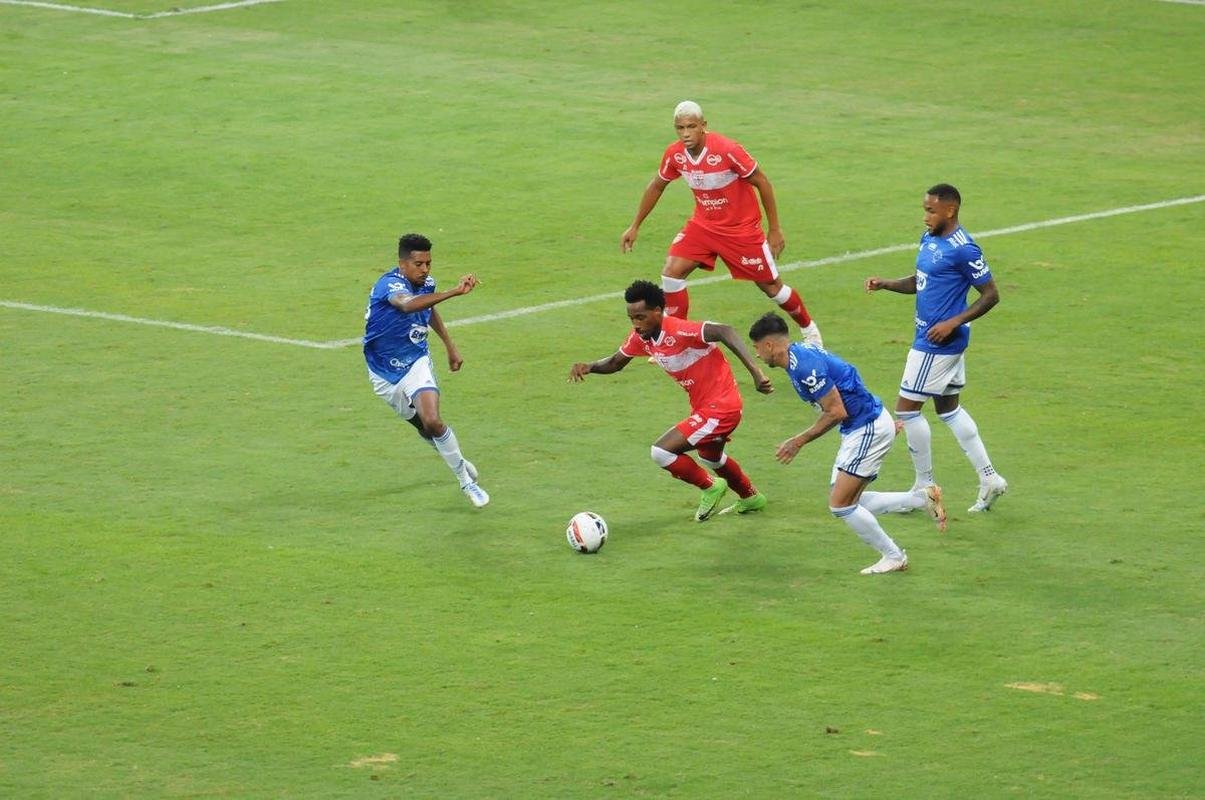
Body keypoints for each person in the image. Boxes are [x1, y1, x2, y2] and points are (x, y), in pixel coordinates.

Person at [748, 312, 946, 575]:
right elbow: (847, 375)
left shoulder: (804, 366)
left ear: (770, 345)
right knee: (848, 497)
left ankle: (894, 556)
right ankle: (921, 499)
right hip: (866, 424)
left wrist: (798, 441)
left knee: (841, 505)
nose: (758, 355)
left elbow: (836, 411)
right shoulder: (801, 356)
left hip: (865, 428)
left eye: (757, 348)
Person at [620, 100, 822, 345]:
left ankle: (809, 329)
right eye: (680, 128)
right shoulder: (675, 154)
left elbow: (762, 182)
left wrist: (775, 229)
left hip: (740, 231)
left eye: (691, 127)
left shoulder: (727, 150)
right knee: (671, 273)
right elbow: (657, 185)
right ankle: (675, 338)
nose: (685, 134)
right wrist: (635, 225)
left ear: (703, 125)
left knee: (771, 288)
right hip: (703, 226)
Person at [569, 280, 772, 522]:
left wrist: (756, 372)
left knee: (661, 451)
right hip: (706, 408)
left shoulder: (678, 330)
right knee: (710, 457)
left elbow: (724, 331)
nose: (635, 325)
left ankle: (710, 487)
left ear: (658, 311)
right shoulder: (642, 338)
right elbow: (616, 362)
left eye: (641, 317)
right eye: (631, 318)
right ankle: (751, 498)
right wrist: (589, 367)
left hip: (721, 408)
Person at [865, 183, 1008, 513]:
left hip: (936, 343)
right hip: (935, 339)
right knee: (949, 410)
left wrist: (953, 322)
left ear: (950, 210)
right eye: (924, 210)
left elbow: (991, 295)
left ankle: (923, 487)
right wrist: (886, 283)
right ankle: (989, 478)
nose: (925, 216)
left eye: (931, 210)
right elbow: (921, 281)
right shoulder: (929, 239)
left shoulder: (964, 249)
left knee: (906, 410)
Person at [363, 233, 489, 508]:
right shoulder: (389, 285)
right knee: (424, 428)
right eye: (419, 264)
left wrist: (449, 345)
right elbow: (407, 305)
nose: (425, 270)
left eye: (428, 264)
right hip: (383, 373)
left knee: (432, 420)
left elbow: (428, 308)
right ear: (403, 263)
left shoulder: (427, 284)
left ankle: (466, 482)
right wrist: (455, 292)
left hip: (416, 362)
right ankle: (457, 459)